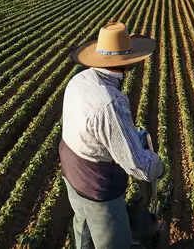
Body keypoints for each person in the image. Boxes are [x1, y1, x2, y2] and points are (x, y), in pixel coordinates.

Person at [60, 21, 165, 249]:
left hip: (72, 171)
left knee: (83, 226)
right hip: (98, 186)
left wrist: (132, 140)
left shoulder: (79, 80)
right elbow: (138, 166)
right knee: (112, 241)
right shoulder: (110, 102)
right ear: (125, 63)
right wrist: (158, 166)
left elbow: (92, 132)